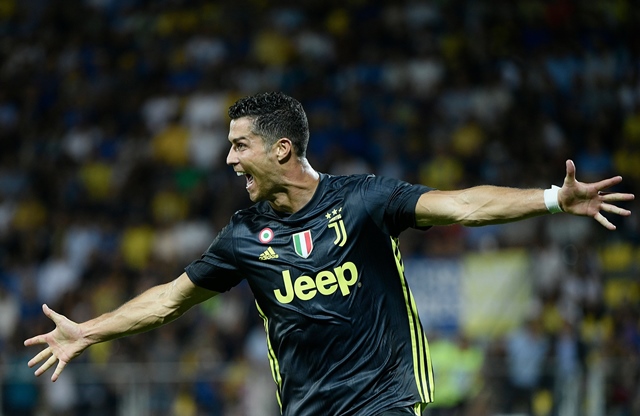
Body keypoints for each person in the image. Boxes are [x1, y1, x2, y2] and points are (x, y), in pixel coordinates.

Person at [24, 92, 634, 416]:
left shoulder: (365, 201)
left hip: (384, 400)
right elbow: (168, 301)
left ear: (281, 148)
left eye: (240, 147)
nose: (230, 160)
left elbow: (464, 207)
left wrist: (554, 198)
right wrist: (89, 332)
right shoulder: (242, 236)